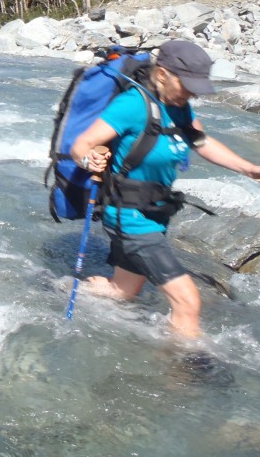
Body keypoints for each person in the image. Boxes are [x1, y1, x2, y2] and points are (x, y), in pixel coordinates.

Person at [71, 39, 260, 339]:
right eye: (187, 85)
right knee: (187, 301)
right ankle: (182, 376)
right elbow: (82, 144)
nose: (192, 92)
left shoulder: (179, 107)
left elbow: (202, 142)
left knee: (123, 291)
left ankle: (57, 289)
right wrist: (88, 158)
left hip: (154, 213)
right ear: (162, 75)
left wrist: (249, 169)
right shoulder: (132, 105)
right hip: (129, 216)